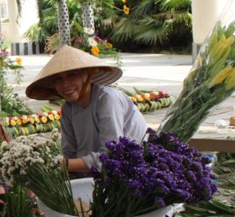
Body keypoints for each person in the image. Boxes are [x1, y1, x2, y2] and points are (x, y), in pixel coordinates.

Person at [25, 45, 148, 174]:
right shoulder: (68, 108)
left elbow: (111, 155)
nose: (65, 84)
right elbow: (69, 153)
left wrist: (58, 165)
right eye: (58, 79)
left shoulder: (107, 99)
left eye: (72, 75)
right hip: (95, 175)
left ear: (87, 74)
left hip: (133, 172)